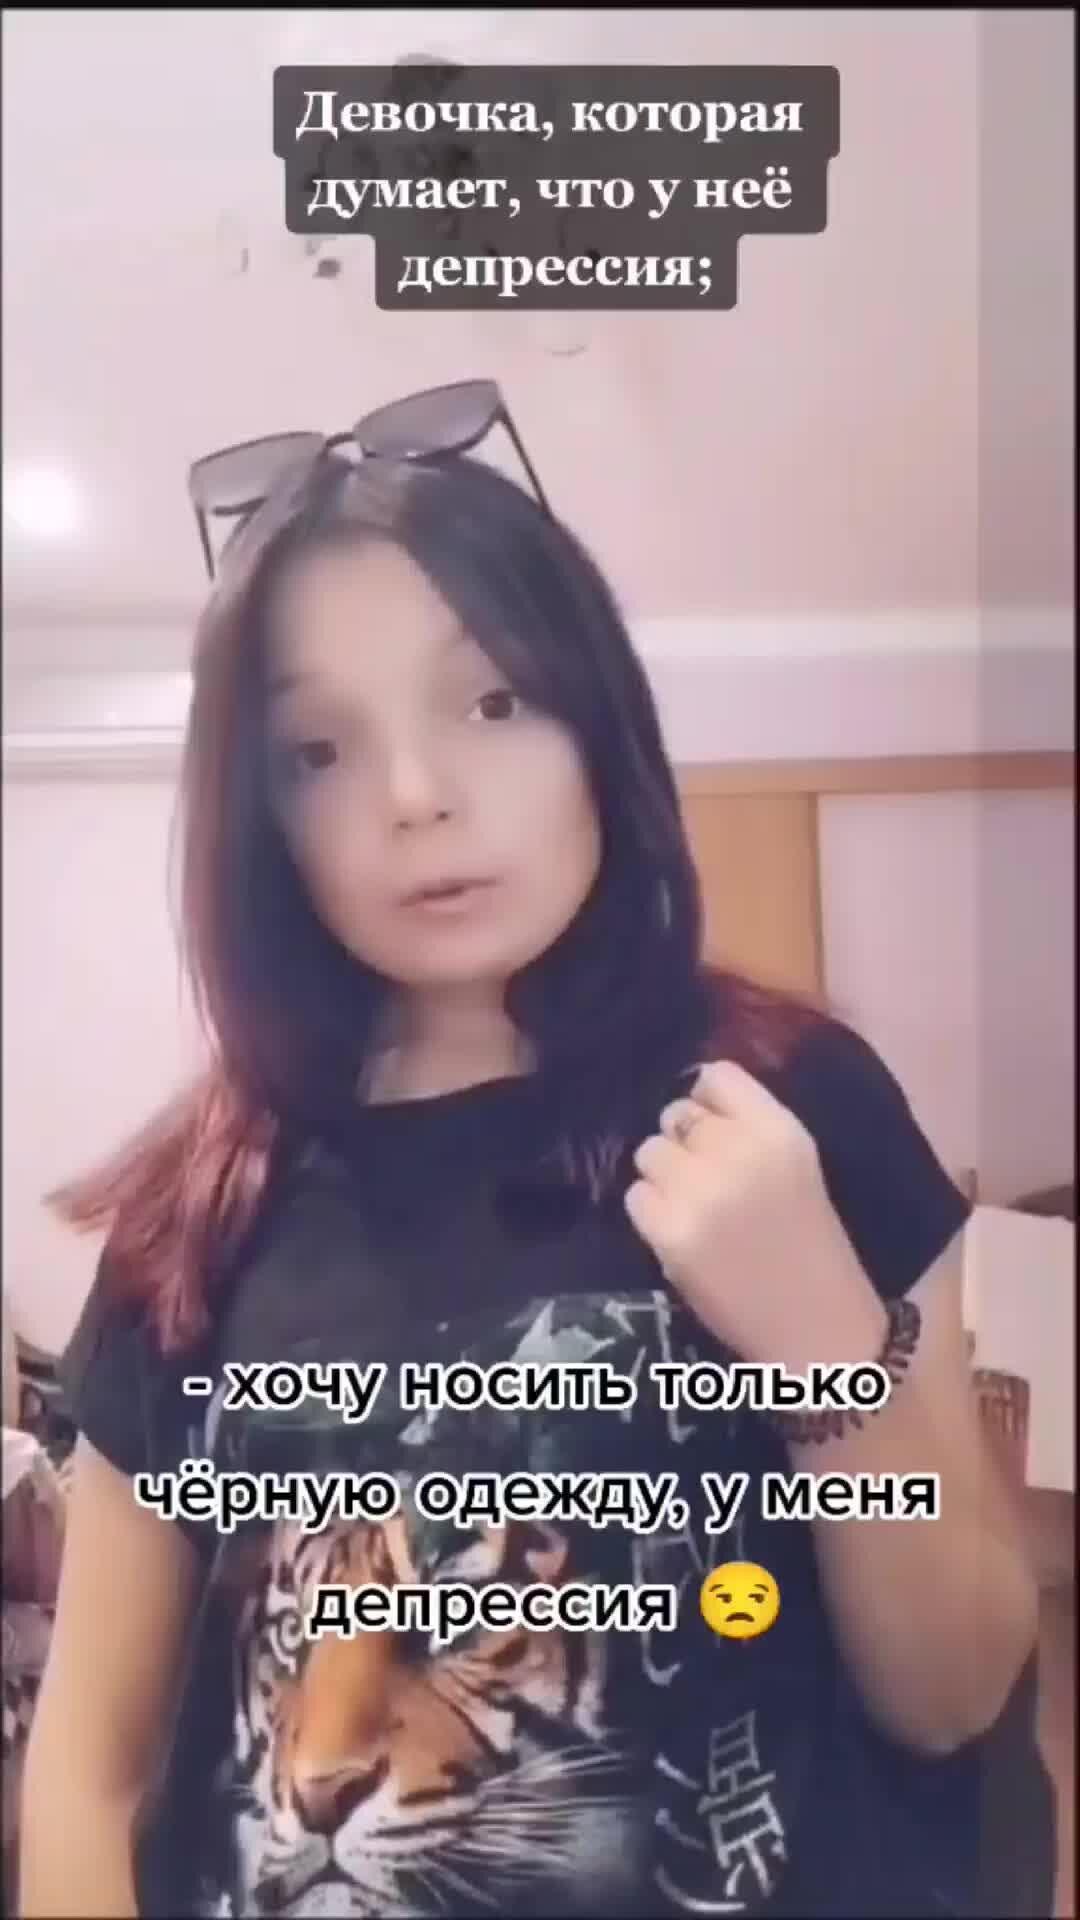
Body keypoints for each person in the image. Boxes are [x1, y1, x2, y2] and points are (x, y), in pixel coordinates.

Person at [20, 386, 1054, 1919]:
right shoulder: (202, 1208)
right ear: (261, 820)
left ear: (596, 726)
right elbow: (90, 1776)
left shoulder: (794, 1102)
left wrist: (825, 1346)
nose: (416, 795)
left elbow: (954, 1693)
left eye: (493, 702)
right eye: (316, 749)